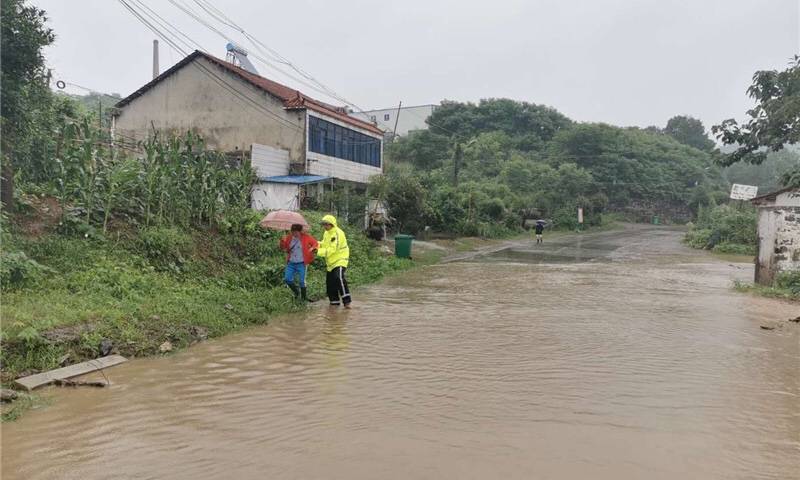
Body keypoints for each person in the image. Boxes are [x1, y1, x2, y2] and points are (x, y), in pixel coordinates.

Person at [316, 215, 351, 308]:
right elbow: (324, 244)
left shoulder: (338, 233)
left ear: (332, 224)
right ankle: (334, 302)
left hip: (340, 259)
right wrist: (315, 244)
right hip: (331, 261)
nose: (325, 227)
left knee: (338, 277)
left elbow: (332, 249)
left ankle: (347, 301)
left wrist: (317, 251)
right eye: (324, 225)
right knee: (330, 282)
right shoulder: (326, 233)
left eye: (326, 225)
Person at [279, 224, 318, 301]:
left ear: (300, 231)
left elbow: (315, 243)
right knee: (287, 279)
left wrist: (312, 249)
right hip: (291, 263)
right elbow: (283, 248)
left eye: (296, 232)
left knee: (302, 281)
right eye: (292, 232)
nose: (294, 234)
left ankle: (303, 298)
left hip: (302, 263)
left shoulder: (306, 237)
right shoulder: (289, 237)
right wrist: (282, 242)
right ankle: (297, 292)